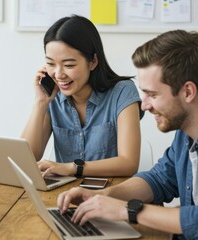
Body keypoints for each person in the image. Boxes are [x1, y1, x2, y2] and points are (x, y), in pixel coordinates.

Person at [57, 30, 198, 239]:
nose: (145, 105)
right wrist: (102, 197)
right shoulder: (185, 137)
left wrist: (127, 210)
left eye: (153, 94)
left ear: (187, 92)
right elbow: (159, 179)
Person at [21, 15, 143, 178]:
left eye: (69, 65)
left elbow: (129, 163)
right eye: (50, 63)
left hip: (110, 193)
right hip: (64, 195)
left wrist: (72, 168)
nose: (58, 74)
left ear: (92, 61)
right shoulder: (53, 97)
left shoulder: (123, 92)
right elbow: (25, 159)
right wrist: (40, 102)